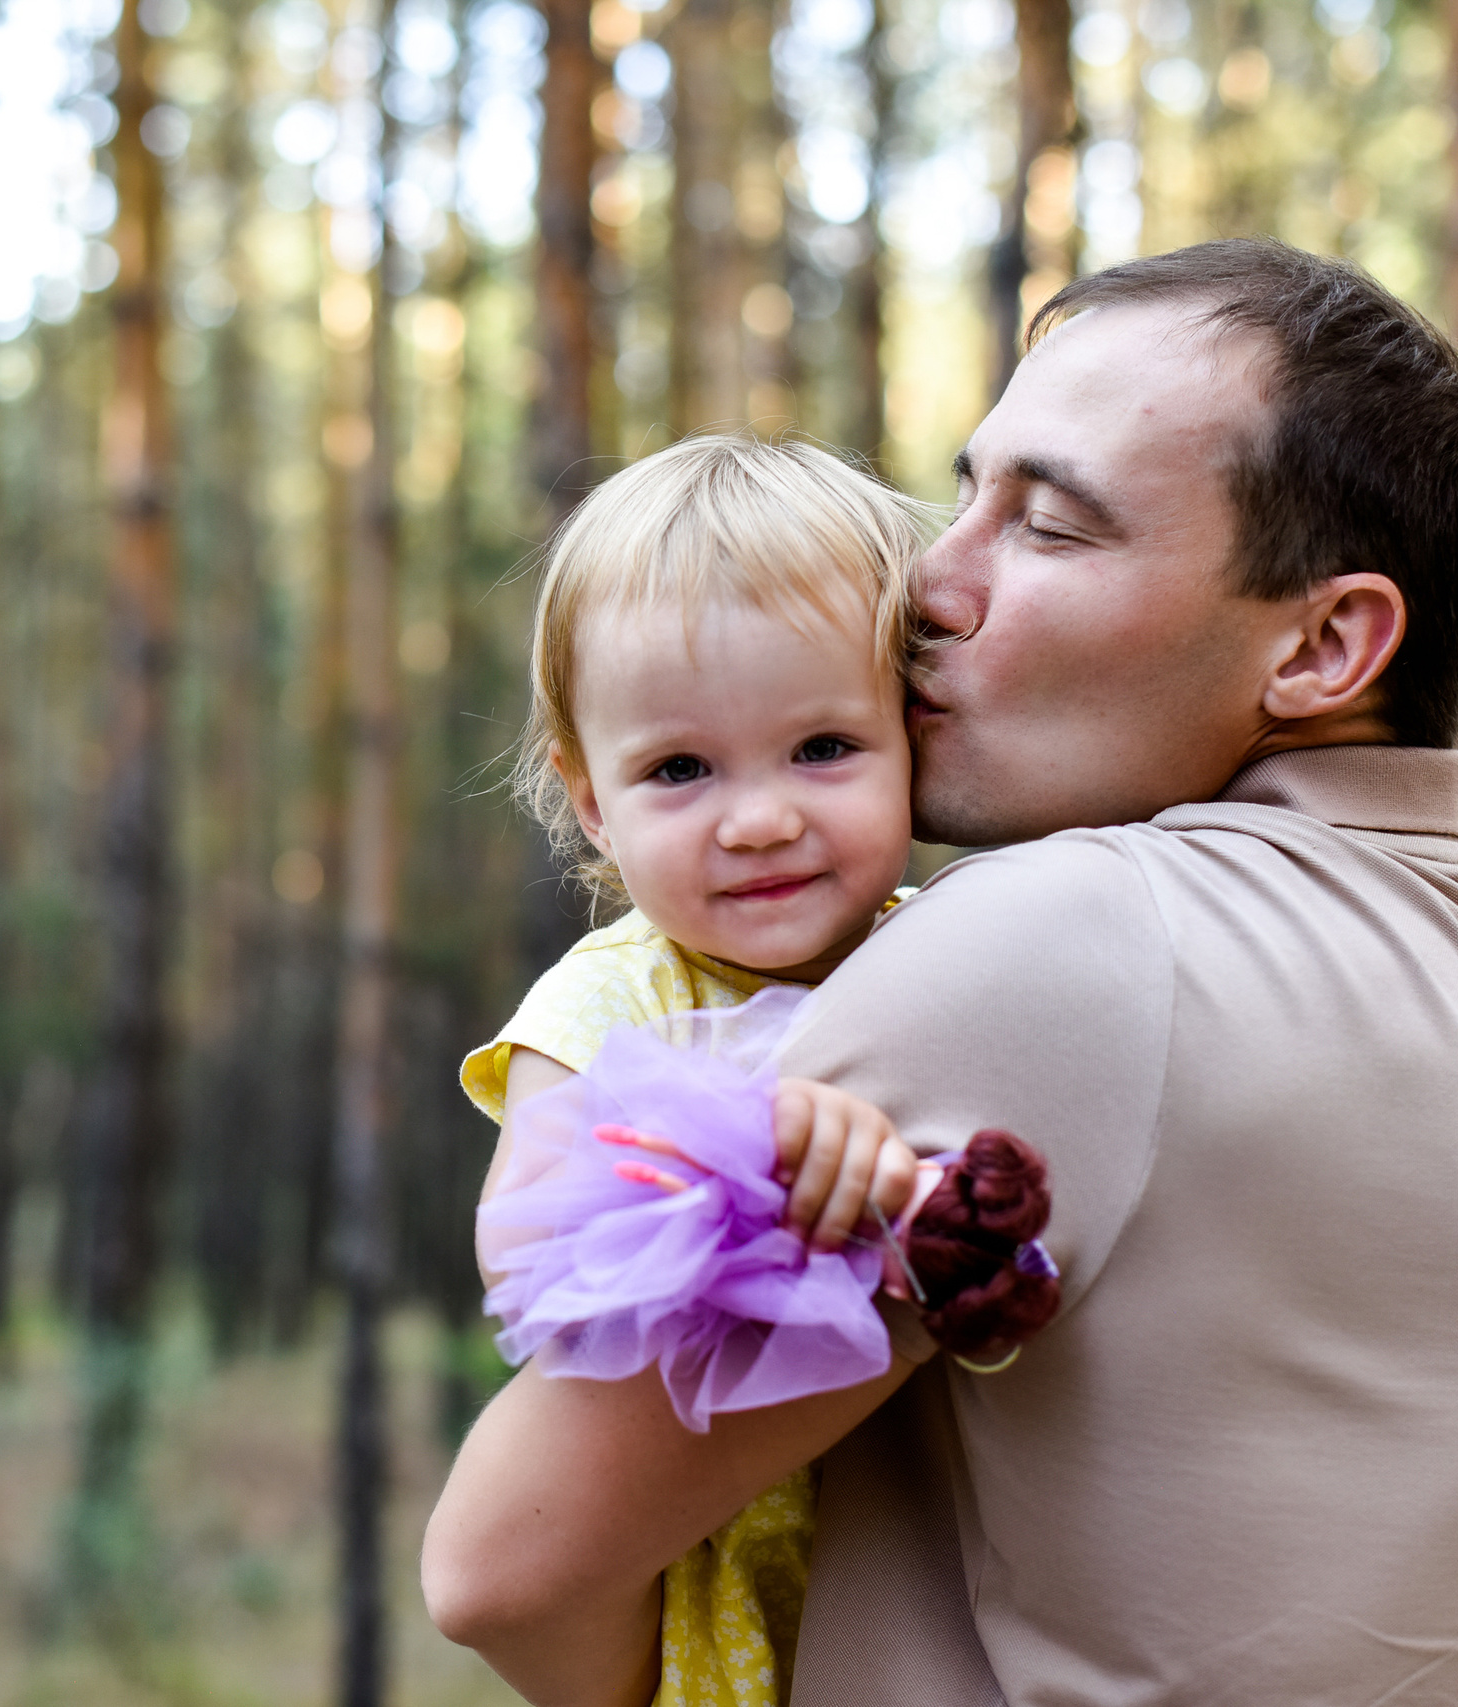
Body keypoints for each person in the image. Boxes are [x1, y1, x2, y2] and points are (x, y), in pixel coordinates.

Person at [424, 238, 1458, 1707]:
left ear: (1324, 644)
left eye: (1046, 528)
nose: (928, 584)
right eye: (963, 496)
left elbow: (501, 1570)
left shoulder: (1066, 936)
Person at [459, 433, 936, 1707]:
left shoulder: (948, 953)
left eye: (822, 747)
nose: (761, 819)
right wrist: (752, 1152)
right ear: (591, 802)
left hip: (934, 1536)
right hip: (721, 1552)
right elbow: (523, 1250)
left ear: (913, 736)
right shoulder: (615, 999)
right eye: (679, 770)